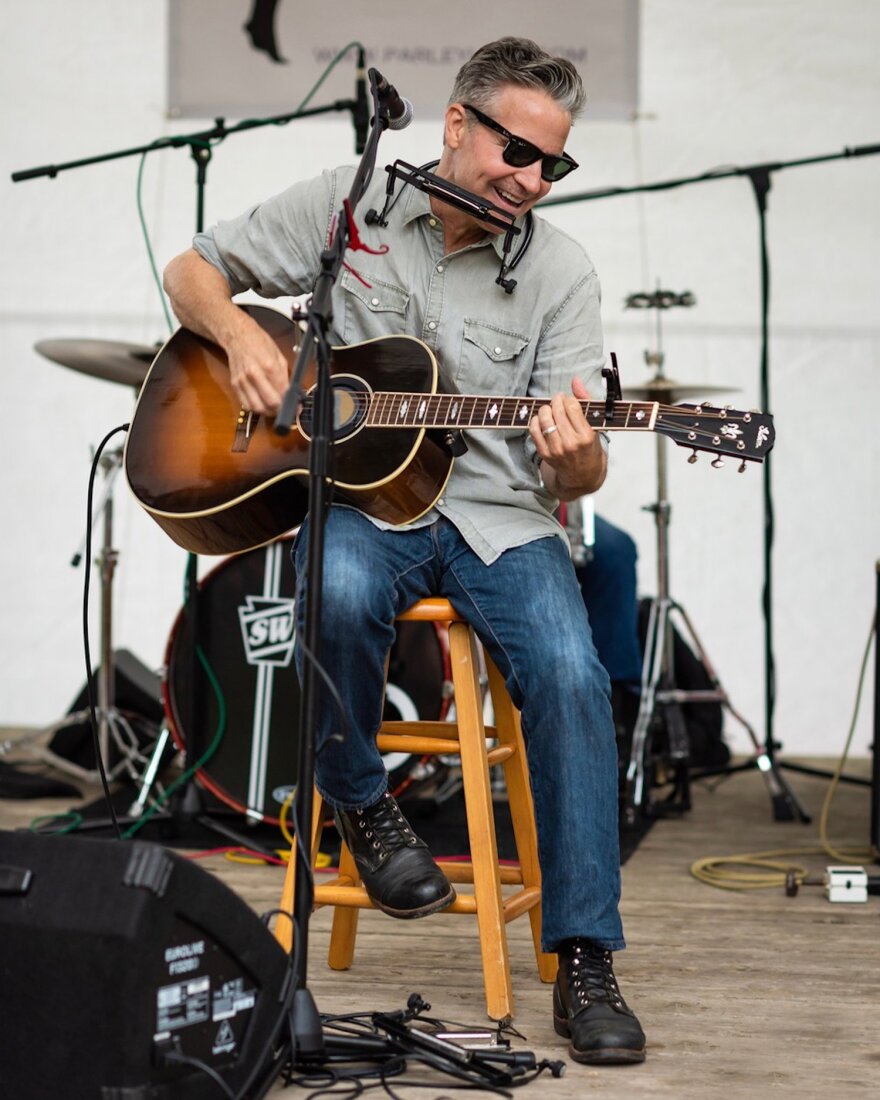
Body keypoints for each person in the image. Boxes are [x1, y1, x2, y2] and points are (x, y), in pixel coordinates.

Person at [163, 37, 646, 1065]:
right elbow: (192, 269)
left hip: (502, 520)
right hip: (365, 505)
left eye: (551, 164)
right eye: (516, 150)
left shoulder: (561, 271)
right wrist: (248, 341)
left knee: (568, 674)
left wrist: (580, 456)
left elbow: (578, 480)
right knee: (327, 586)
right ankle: (363, 803)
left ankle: (586, 955)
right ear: (458, 125)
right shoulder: (353, 203)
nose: (529, 179)